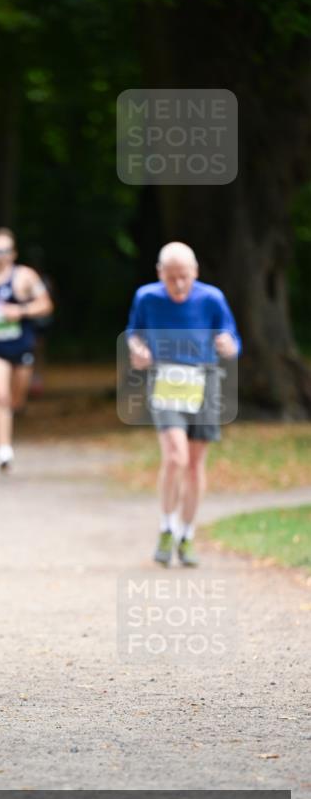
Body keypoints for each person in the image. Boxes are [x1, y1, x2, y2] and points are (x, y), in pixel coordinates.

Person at [126, 241, 241, 567]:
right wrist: (138, 350)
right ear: (159, 273)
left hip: (202, 381)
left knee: (194, 464)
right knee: (176, 456)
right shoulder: (146, 297)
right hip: (165, 379)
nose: (178, 284)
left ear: (195, 272)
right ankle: (167, 526)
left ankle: (187, 534)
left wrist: (228, 345)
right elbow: (134, 332)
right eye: (171, 277)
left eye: (184, 277)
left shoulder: (212, 298)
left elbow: (233, 340)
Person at [0, 227, 53, 470]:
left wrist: (20, 310)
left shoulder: (25, 276)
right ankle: (4, 450)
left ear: (14, 253)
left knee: (16, 400)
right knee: (0, 396)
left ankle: (11, 417)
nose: (0, 255)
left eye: (5, 250)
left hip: (21, 346)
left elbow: (46, 304)